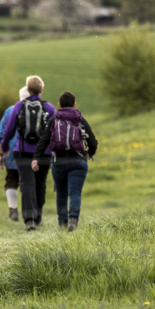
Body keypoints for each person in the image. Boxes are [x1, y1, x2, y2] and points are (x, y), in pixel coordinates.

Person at [32, 91, 98, 232]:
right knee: (75, 193)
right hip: (78, 161)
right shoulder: (79, 118)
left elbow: (44, 140)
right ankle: (73, 220)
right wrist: (90, 153)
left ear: (59, 105)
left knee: (61, 193)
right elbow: (92, 140)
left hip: (58, 162)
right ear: (74, 104)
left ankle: (62, 223)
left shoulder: (54, 119)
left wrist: (36, 158)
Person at [0, 75, 55, 231]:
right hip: (43, 153)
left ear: (28, 89)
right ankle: (38, 217)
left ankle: (29, 220)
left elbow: (9, 129)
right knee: (40, 184)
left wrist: (4, 145)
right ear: (41, 90)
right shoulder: (49, 108)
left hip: (23, 152)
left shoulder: (18, 106)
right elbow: (55, 131)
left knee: (26, 184)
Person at [0, 86, 30, 221]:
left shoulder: (10, 111)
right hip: (31, 153)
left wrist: (0, 154)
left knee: (11, 181)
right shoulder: (39, 110)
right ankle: (31, 213)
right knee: (29, 183)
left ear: (19, 97)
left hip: (11, 151)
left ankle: (13, 210)